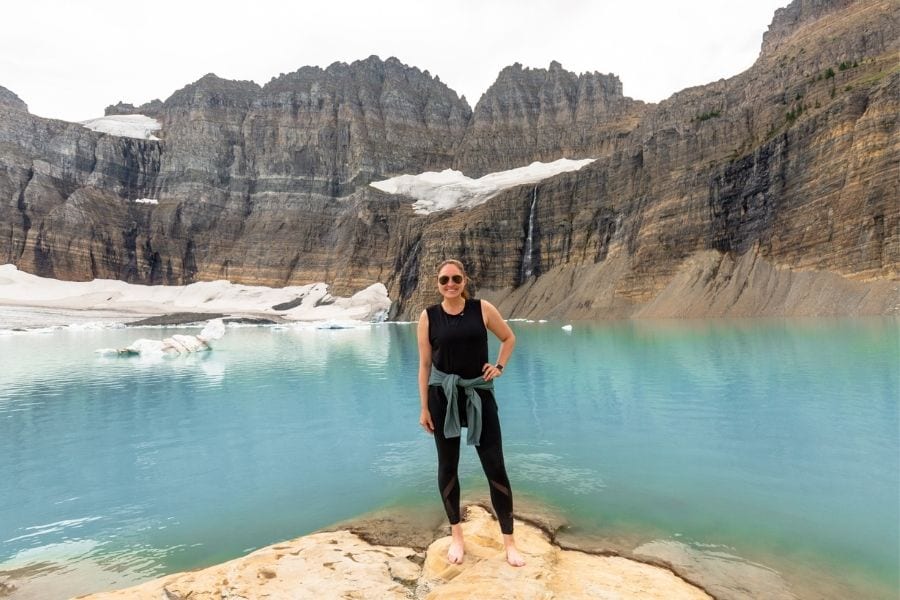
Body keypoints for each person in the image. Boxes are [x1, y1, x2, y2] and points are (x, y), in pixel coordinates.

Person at [416, 259, 526, 567]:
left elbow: (509, 337)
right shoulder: (428, 317)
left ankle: (510, 543)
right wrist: (424, 407)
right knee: (447, 467)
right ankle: (457, 538)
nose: (450, 284)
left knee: (495, 466)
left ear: (465, 281)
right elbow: (425, 365)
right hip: (443, 397)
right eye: (444, 280)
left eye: (456, 278)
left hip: (479, 394)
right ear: (437, 283)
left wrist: (499, 366)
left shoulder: (483, 309)